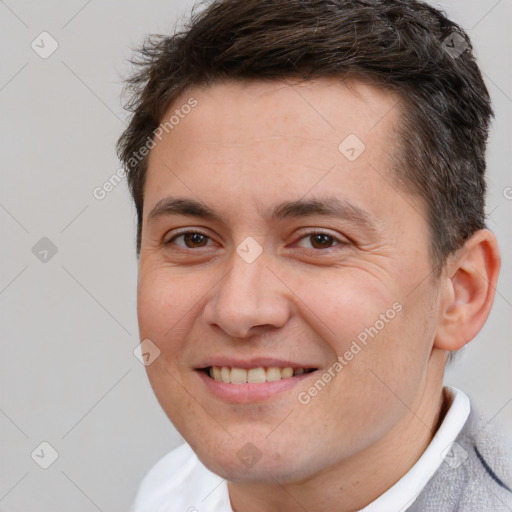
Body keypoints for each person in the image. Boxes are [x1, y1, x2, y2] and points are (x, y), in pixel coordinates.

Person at [117, 0, 512, 510]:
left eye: (319, 240)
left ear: (461, 292)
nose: (239, 310)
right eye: (193, 239)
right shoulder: (171, 490)